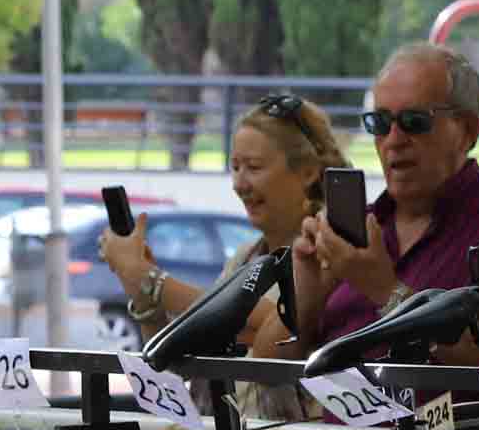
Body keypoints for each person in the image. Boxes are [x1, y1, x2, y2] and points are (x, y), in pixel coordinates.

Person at [292, 43, 479, 358]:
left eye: (414, 121)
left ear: (467, 130)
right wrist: (309, 290)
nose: (393, 140)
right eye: (379, 123)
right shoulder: (359, 229)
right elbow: (267, 366)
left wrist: (385, 291)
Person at [99, 92, 346, 362]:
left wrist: (149, 279)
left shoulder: (333, 251)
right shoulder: (244, 258)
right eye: (235, 167)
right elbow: (181, 363)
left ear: (308, 172)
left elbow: (268, 326)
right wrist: (141, 292)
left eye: (253, 167)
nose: (239, 184)